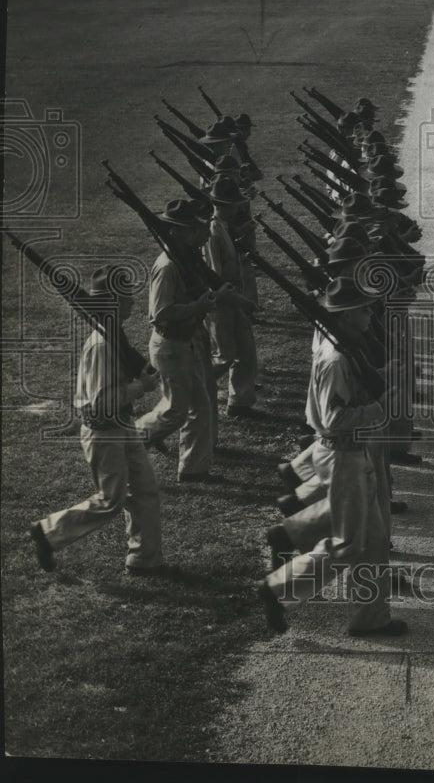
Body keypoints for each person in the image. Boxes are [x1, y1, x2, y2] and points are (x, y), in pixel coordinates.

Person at [257, 277, 406, 637]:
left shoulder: (344, 348)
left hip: (351, 453)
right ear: (346, 315)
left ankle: (371, 619)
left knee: (371, 541)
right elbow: (334, 419)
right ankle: (276, 589)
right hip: (343, 456)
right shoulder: (337, 358)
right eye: (364, 308)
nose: (371, 313)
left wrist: (386, 376)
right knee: (348, 544)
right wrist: (379, 406)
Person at [28, 265, 177, 576]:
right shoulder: (102, 346)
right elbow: (102, 402)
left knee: (145, 491)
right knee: (111, 500)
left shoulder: (114, 336)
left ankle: (145, 560)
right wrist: (141, 388)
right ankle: (48, 532)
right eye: (125, 299)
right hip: (104, 431)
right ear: (111, 304)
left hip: (121, 426)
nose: (133, 304)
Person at [135, 200, 230, 482]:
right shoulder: (168, 266)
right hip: (171, 346)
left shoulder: (185, 259)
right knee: (178, 410)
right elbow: (161, 314)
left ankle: (193, 469)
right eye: (199, 229)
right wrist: (199, 307)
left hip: (184, 342)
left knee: (195, 407)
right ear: (183, 232)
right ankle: (131, 440)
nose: (206, 234)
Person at [203, 176, 261, 419]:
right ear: (223, 204)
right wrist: (241, 301)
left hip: (233, 295)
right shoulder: (213, 232)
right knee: (224, 356)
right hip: (221, 301)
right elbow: (214, 277)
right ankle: (195, 390)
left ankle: (240, 403)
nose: (239, 207)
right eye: (235, 203)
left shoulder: (224, 226)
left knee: (246, 351)